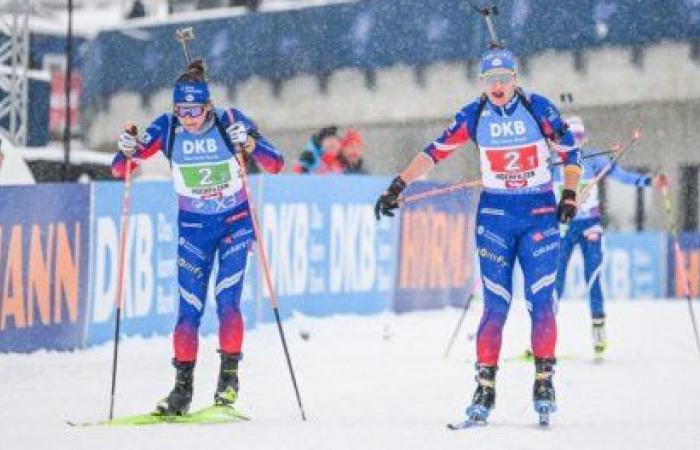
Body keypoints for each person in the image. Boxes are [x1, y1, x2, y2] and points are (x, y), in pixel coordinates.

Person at [374, 48, 582, 426]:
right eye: (490, 81)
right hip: (496, 217)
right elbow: (434, 152)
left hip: (538, 215)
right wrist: (398, 184)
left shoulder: (538, 108)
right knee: (495, 306)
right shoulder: (475, 114)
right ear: (482, 84)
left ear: (516, 79)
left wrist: (569, 195)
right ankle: (484, 388)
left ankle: (544, 383)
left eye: (504, 79)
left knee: (541, 302)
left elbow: (571, 153)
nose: (497, 87)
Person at [112, 59, 284, 416]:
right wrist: (126, 147)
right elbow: (120, 169)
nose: (187, 119)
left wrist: (250, 143)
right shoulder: (167, 127)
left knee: (227, 302)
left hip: (235, 224)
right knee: (188, 312)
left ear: (208, 106)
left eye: (194, 110)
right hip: (193, 229)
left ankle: (228, 384)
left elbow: (277, 163)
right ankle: (181, 391)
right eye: (181, 110)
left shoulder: (231, 121)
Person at [553, 116, 667, 354]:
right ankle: (544, 336)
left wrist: (650, 181)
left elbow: (623, 176)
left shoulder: (595, 160)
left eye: (579, 138)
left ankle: (598, 328)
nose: (575, 143)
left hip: (590, 226)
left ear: (585, 138)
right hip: (563, 227)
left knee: (593, 278)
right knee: (555, 282)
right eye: (569, 138)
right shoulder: (554, 162)